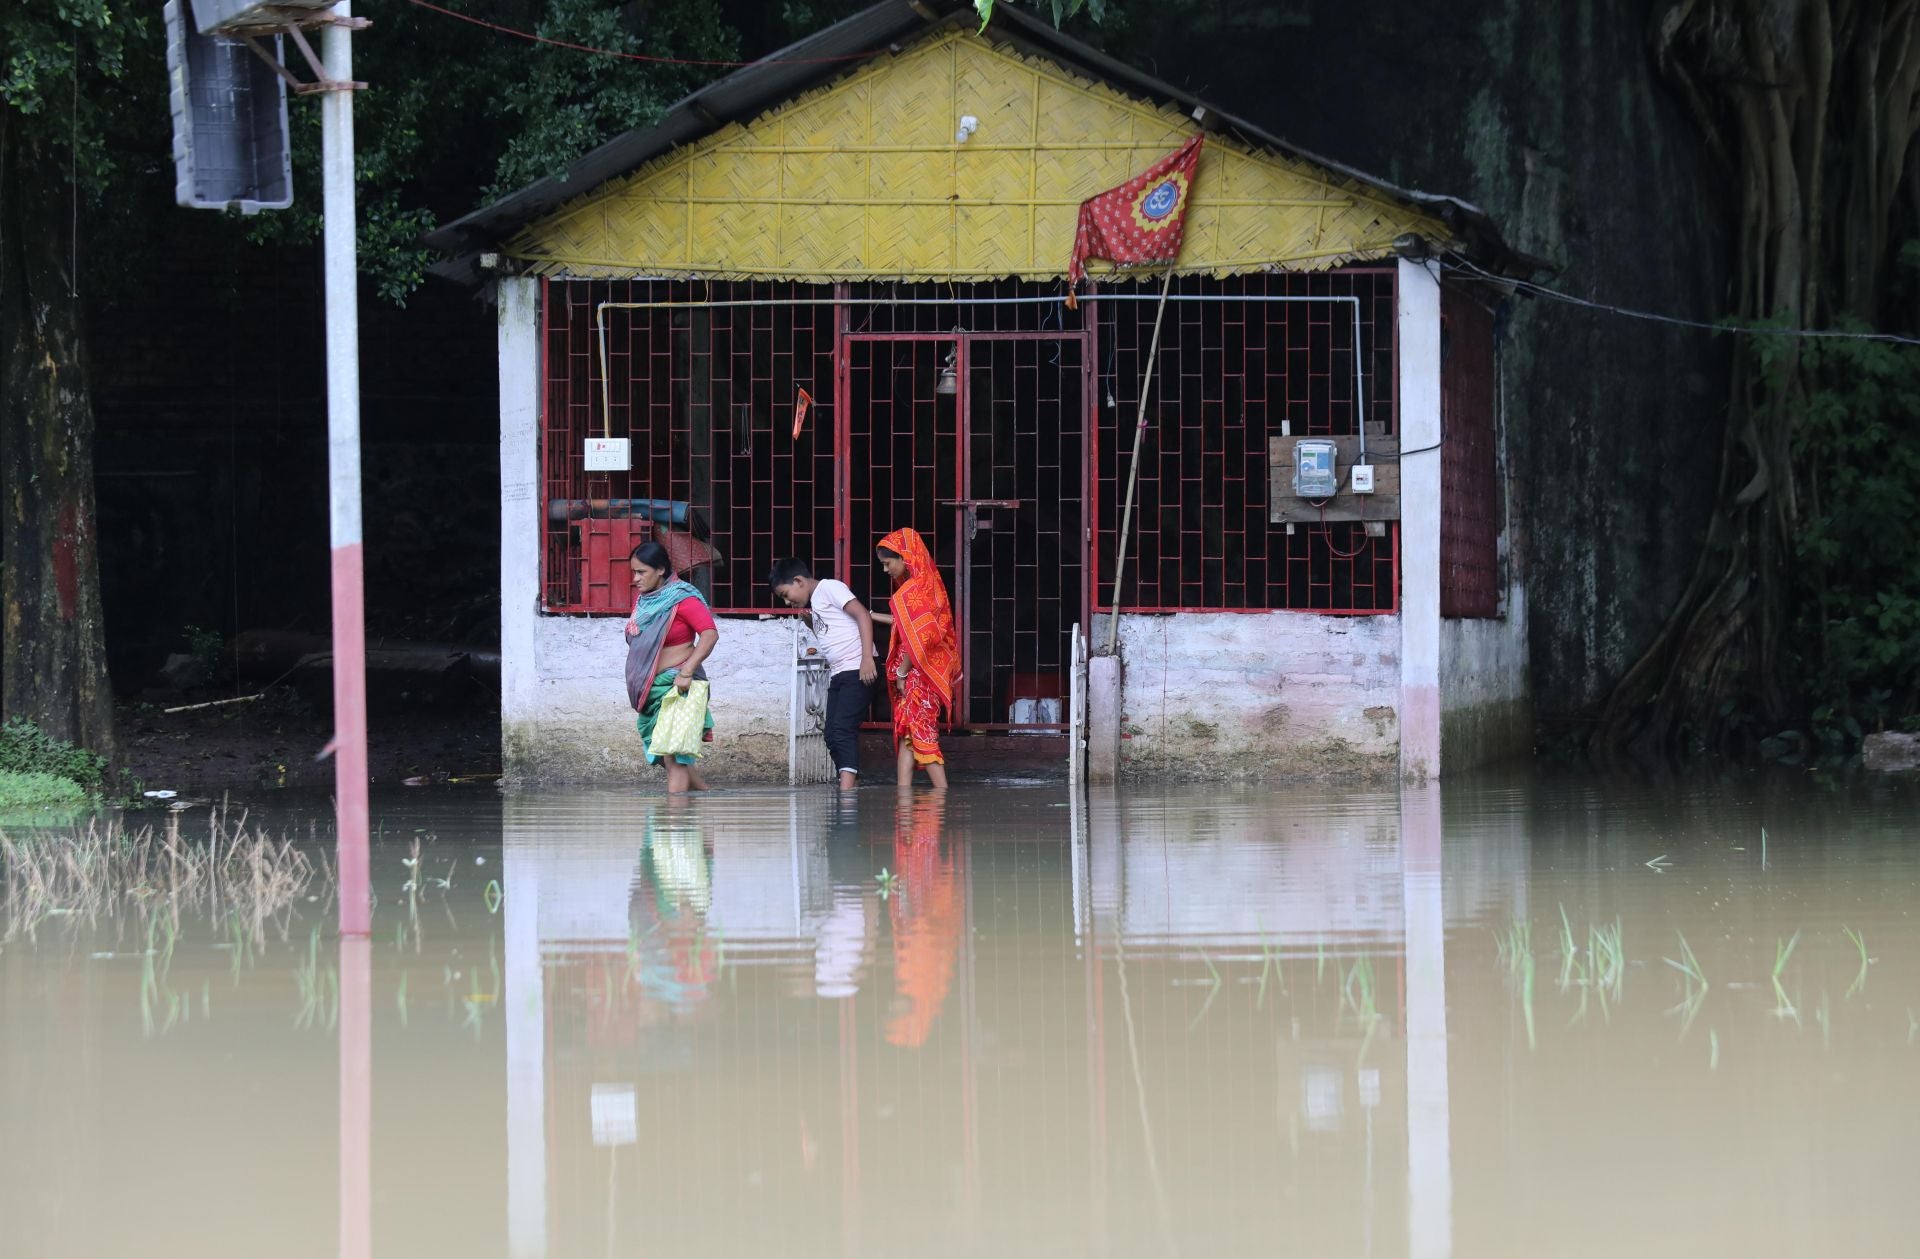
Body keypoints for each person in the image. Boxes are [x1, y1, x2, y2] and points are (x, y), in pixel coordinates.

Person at [770, 558, 879, 789]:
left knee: (842, 729)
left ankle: (846, 790)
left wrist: (867, 658)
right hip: (840, 673)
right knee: (830, 734)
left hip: (857, 668)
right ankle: (851, 782)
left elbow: (862, 615)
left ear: (799, 581)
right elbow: (833, 632)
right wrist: (811, 625)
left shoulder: (829, 588)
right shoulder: (816, 603)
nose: (788, 602)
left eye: (786, 594)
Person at [623, 541, 718, 794]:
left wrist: (687, 672)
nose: (635, 579)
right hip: (653, 690)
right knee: (671, 758)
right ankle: (705, 804)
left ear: (661, 570)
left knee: (673, 757)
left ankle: (672, 822)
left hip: (678, 686)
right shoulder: (646, 601)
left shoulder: (682, 598)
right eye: (633, 572)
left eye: (642, 572)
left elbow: (709, 635)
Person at [868, 528, 960, 789]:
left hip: (917, 675)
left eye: (887, 564)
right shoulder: (927, 585)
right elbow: (905, 626)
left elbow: (919, 638)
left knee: (921, 732)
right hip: (917, 674)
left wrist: (901, 673)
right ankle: (903, 797)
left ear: (905, 557)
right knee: (907, 733)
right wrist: (870, 615)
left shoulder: (915, 590)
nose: (886, 570)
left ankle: (942, 796)